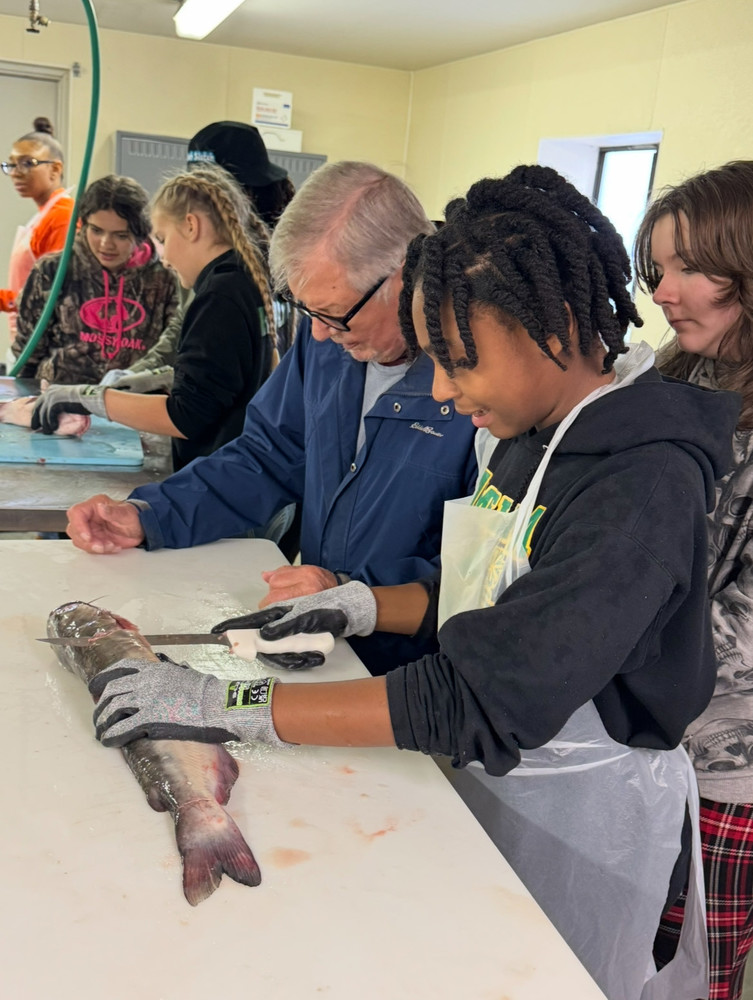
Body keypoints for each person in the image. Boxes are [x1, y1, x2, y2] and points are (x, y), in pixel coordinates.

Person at [85, 165, 741, 1000]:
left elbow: (480, 695)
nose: (438, 389)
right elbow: (493, 595)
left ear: (553, 328)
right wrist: (365, 604)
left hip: (580, 827)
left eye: (459, 360)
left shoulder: (640, 483)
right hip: (494, 783)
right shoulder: (534, 430)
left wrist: (226, 705)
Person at [64, 161, 479, 674]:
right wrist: (151, 515)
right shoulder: (326, 339)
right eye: (309, 313)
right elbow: (267, 455)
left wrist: (352, 594)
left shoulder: (480, 382)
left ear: (405, 274)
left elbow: (484, 572)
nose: (321, 334)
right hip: (323, 646)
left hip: (419, 673)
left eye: (335, 314)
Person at [635, 160, 753, 1000]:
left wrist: (608, 633)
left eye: (690, 267)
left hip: (722, 774)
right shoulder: (670, 382)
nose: (663, 292)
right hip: (639, 743)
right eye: (657, 268)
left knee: (691, 969)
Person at [32, 165, 276, 472]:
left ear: (191, 226)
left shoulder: (219, 296)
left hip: (217, 474)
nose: (164, 258)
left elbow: (187, 416)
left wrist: (89, 397)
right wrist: (157, 378)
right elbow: (226, 375)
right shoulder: (241, 282)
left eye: (162, 238)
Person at [105, 120, 297, 391]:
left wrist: (122, 391)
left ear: (244, 192)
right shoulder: (199, 259)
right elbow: (183, 328)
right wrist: (131, 378)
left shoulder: (280, 256)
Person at [11, 174, 179, 384]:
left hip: (131, 399)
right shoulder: (53, 270)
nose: (106, 244)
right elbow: (27, 354)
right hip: (56, 396)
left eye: (121, 235)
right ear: (83, 224)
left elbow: (172, 355)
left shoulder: (165, 279)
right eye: (97, 231)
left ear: (140, 233)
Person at [0, 117, 75, 341]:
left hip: (46, 344)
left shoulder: (62, 217)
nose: (16, 172)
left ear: (55, 169)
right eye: (12, 164)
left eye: (27, 163)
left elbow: (54, 294)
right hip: (28, 338)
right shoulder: (44, 216)